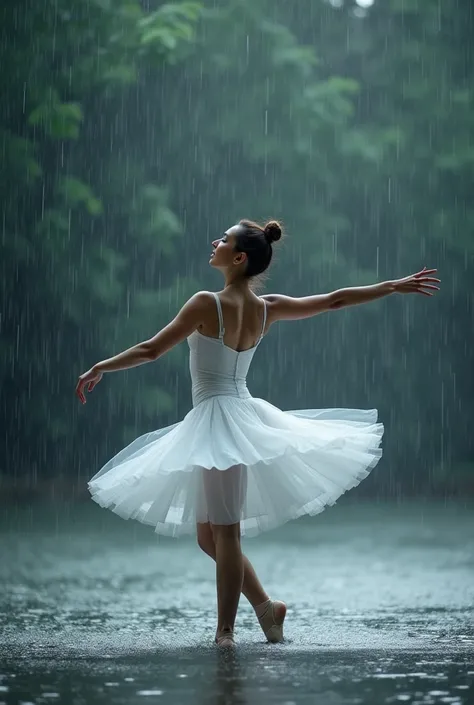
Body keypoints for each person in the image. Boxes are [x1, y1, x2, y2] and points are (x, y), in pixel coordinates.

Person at [75, 219, 440, 648]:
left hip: (222, 420)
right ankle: (267, 608)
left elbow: (152, 349)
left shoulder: (204, 303)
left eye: (223, 240)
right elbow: (335, 301)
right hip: (238, 415)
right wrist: (391, 286)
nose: (215, 242)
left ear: (239, 257)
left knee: (225, 534)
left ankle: (225, 633)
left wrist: (102, 366)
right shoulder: (267, 307)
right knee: (208, 536)